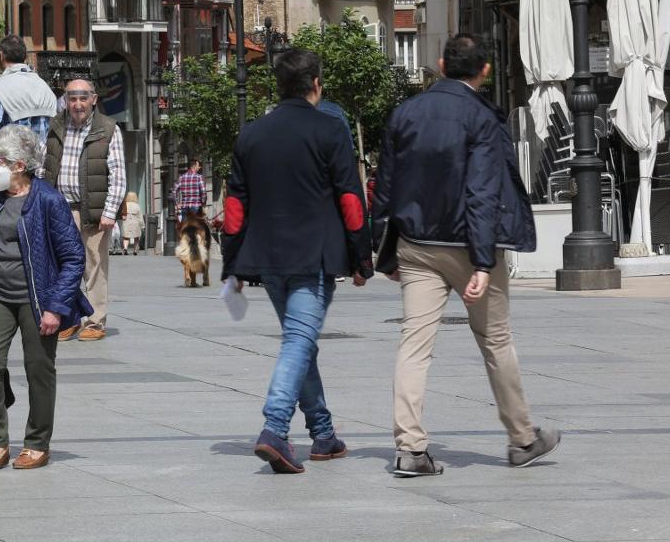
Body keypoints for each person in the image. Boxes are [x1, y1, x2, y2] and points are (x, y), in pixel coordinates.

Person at [373, 33, 560, 477]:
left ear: (440, 64)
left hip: (416, 246)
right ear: (485, 70)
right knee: (495, 340)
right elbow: (481, 191)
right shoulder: (481, 117)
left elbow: (385, 186)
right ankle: (522, 438)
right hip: (469, 246)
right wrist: (480, 261)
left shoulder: (406, 112)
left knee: (415, 345)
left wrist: (385, 252)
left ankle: (410, 449)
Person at [221, 48, 374, 474]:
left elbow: (235, 206)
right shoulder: (330, 130)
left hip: (266, 259)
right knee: (298, 341)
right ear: (316, 84)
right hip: (313, 257)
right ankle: (274, 429)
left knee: (299, 340)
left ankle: (323, 433)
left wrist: (231, 263)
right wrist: (363, 257)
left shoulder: (251, 134)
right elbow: (350, 199)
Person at [0, 125, 90, 471]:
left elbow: (73, 257)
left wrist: (56, 306)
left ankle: (37, 442)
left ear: (19, 165)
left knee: (38, 368)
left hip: (37, 297)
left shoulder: (48, 200)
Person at [42, 78, 125, 341]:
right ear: (65, 100)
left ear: (94, 99)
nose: (77, 104)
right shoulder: (55, 126)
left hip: (93, 210)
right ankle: (67, 318)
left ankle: (95, 321)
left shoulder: (109, 130)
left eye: (82, 98)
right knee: (61, 266)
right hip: (59, 209)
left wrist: (110, 211)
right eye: (72, 98)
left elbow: (119, 175)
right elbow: (44, 165)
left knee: (94, 266)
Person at [0, 35, 58, 151]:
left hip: (12, 164)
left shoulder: (1, 87)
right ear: (25, 57)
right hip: (41, 164)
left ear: (1, 55)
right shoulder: (45, 87)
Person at [120, 191, 142, 255]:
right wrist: (142, 225)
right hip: (135, 223)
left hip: (126, 222)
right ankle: (135, 250)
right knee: (136, 237)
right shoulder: (137, 206)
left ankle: (125, 248)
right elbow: (140, 216)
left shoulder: (125, 205)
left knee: (126, 237)